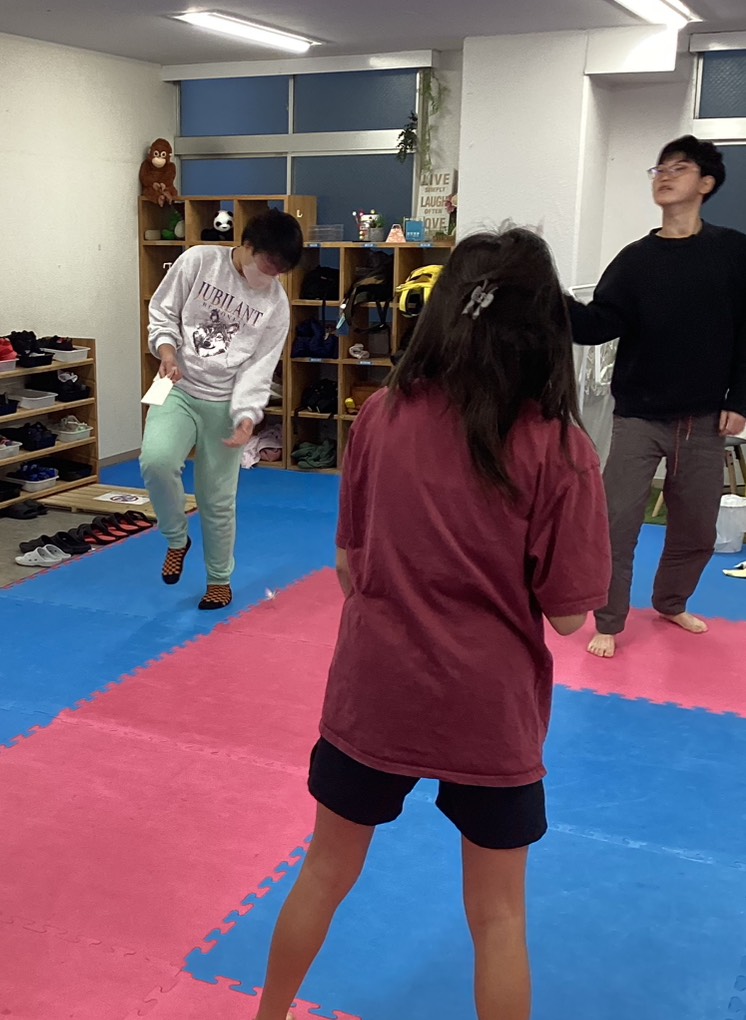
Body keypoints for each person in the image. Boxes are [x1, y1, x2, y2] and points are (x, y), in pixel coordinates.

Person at [255, 229, 611, 1020]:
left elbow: (348, 569)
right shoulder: (560, 447)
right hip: (488, 708)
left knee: (324, 871)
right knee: (499, 916)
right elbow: (567, 617)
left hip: (375, 688)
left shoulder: (381, 415)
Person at [567, 135, 746, 658]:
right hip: (639, 417)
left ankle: (671, 602)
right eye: (658, 169)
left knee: (696, 531)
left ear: (706, 183)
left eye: (678, 168)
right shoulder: (636, 260)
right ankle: (608, 620)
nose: (664, 176)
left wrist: (740, 399)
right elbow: (598, 324)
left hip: (706, 418)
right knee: (616, 524)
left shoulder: (733, 253)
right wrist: (547, 299)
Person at [140, 209, 303, 610]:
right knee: (156, 462)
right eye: (267, 267)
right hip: (175, 385)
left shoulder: (276, 304)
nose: (270, 278)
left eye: (280, 273)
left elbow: (259, 367)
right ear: (246, 246)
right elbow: (163, 311)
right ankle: (176, 538)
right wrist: (166, 352)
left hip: (226, 401)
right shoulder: (199, 261)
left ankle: (218, 579)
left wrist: (247, 415)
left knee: (217, 499)